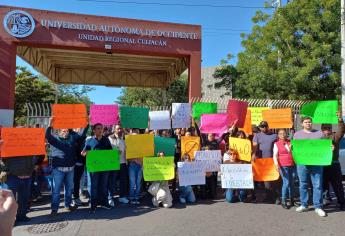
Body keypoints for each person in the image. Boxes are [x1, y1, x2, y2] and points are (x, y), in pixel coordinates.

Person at [45, 117, 89, 216]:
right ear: (59, 132)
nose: (66, 132)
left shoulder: (72, 139)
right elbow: (48, 135)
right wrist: (50, 124)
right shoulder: (55, 140)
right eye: (63, 131)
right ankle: (54, 209)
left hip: (70, 169)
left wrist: (87, 122)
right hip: (58, 170)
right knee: (56, 191)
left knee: (69, 189)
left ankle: (67, 205)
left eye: (67, 131)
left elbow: (82, 134)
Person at [293, 116, 326, 217]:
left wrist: (331, 148)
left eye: (310, 122)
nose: (308, 124)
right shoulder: (297, 135)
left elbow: (324, 147)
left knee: (317, 185)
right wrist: (292, 148)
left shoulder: (320, 134)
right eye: (306, 122)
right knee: (303, 184)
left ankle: (318, 206)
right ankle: (304, 205)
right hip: (302, 164)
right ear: (302, 124)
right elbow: (294, 149)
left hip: (316, 163)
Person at [0, 130, 36, 222]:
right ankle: (8, 220)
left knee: (23, 199)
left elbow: (33, 159)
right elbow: (2, 159)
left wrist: (29, 171)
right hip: (12, 177)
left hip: (26, 177)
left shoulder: (30, 145)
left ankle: (21, 216)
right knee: (9, 200)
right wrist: (6, 170)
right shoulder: (7, 144)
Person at [82, 123, 113, 213]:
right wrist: (85, 153)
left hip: (104, 168)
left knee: (104, 186)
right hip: (94, 168)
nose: (100, 130)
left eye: (101, 128)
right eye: (98, 128)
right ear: (94, 130)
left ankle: (104, 203)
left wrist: (115, 153)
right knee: (93, 187)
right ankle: (93, 205)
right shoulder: (89, 140)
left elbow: (110, 152)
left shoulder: (106, 140)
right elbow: (83, 153)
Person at [321, 115, 345, 211]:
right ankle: (326, 200)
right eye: (325, 128)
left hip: (333, 165)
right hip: (322, 165)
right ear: (322, 129)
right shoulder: (319, 138)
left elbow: (341, 131)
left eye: (329, 128)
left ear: (331, 129)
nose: (327, 130)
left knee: (337, 185)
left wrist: (340, 120)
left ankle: (342, 202)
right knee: (323, 185)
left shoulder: (335, 137)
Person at [252, 121, 279, 204]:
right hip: (262, 161)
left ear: (268, 126)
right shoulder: (257, 135)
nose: (263, 128)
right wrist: (253, 155)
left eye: (265, 126)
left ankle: (275, 197)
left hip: (272, 160)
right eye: (262, 126)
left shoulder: (274, 135)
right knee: (265, 181)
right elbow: (255, 146)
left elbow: (279, 145)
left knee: (274, 179)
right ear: (259, 127)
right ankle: (268, 196)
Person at [273, 129, 296, 209]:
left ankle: (292, 200)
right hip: (283, 165)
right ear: (278, 135)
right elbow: (275, 155)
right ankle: (283, 200)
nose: (282, 135)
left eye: (284, 133)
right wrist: (276, 165)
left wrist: (292, 148)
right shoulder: (276, 144)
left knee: (292, 183)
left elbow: (295, 152)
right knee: (286, 183)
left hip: (292, 164)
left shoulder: (290, 142)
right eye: (280, 134)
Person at [108, 124, 130, 206]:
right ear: (114, 130)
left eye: (120, 128)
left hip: (123, 163)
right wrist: (114, 152)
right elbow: (107, 150)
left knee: (123, 181)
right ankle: (110, 198)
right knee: (112, 181)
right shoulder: (109, 138)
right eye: (118, 129)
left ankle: (122, 197)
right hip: (113, 163)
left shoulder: (124, 138)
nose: (119, 130)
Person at [127, 129, 143, 204]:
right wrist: (135, 160)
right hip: (132, 165)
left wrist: (141, 163)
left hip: (140, 165)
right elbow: (128, 158)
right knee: (132, 182)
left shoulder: (141, 145)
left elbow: (144, 155)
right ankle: (131, 197)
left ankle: (137, 196)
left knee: (138, 182)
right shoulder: (129, 145)